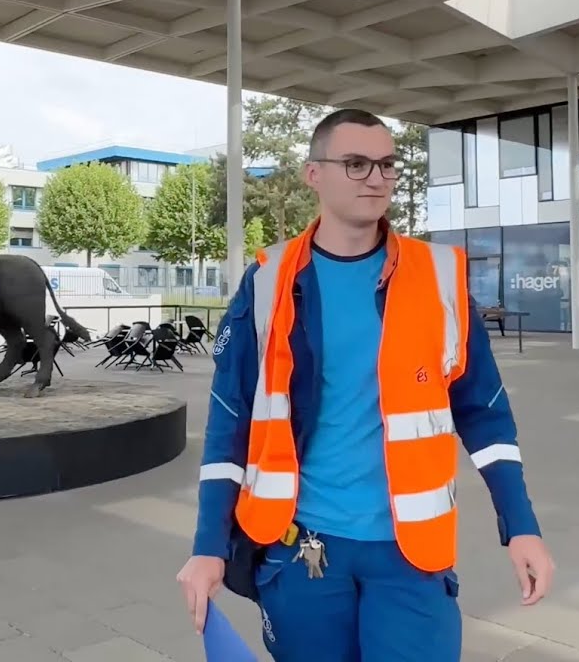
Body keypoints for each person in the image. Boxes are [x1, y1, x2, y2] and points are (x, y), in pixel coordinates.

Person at [176, 109, 555, 662]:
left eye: (386, 165)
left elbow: (486, 415)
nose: (376, 178)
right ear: (314, 175)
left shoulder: (439, 277)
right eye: (356, 164)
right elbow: (228, 424)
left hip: (411, 556)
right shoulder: (267, 282)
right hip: (302, 552)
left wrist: (521, 525)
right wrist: (208, 545)